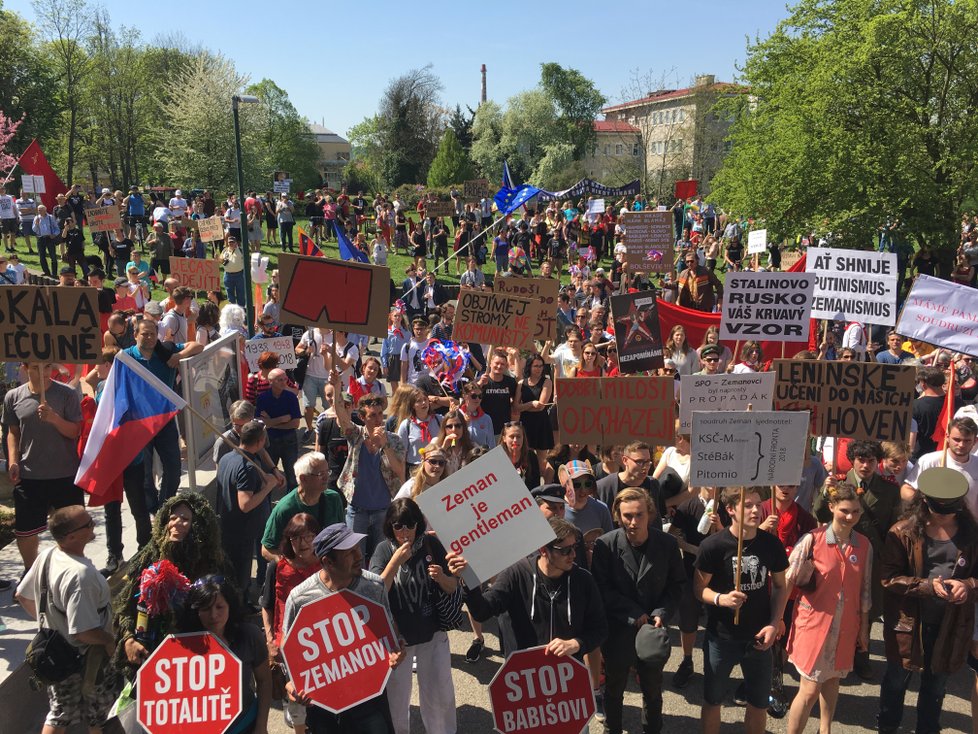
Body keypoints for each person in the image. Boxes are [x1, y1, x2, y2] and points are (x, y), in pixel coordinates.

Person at [877, 472, 978, 734]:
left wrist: (967, 585)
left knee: (935, 686)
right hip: (908, 623)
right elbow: (887, 578)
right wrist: (925, 586)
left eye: (951, 512)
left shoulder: (972, 534)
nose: (945, 517)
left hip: (949, 624)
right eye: (939, 511)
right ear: (924, 503)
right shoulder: (901, 532)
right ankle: (887, 727)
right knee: (897, 680)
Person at [282, 524, 405, 734]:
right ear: (327, 562)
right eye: (350, 553)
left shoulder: (374, 587)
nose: (359, 555)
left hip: (369, 699)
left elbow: (391, 634)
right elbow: (290, 653)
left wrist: (397, 652)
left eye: (358, 548)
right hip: (322, 706)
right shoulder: (300, 598)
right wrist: (291, 684)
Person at [15, 506, 121, 734]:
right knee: (100, 715)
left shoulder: (48, 555)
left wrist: (53, 626)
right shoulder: (80, 575)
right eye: (88, 524)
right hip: (85, 659)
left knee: (59, 714)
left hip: (54, 652)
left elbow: (22, 596)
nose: (94, 524)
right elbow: (82, 632)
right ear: (71, 536)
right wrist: (109, 640)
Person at [694, 486, 790, 734]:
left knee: (758, 704)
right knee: (713, 700)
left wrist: (774, 621)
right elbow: (698, 589)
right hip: (721, 637)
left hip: (759, 637)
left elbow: (781, 586)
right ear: (730, 510)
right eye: (748, 505)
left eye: (758, 504)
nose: (756, 510)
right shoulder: (712, 546)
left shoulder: (771, 544)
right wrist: (720, 599)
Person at [448, 516, 608, 660]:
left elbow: (599, 628)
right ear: (544, 550)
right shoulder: (516, 575)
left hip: (567, 673)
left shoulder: (583, 579)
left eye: (575, 547)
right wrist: (467, 579)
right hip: (524, 674)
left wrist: (576, 644)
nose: (573, 554)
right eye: (566, 550)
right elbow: (482, 612)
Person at [592, 488, 685, 734]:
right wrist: (633, 612)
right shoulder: (606, 545)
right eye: (627, 516)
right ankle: (612, 729)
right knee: (614, 688)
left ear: (651, 514)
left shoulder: (667, 544)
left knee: (653, 689)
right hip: (619, 630)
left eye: (639, 515)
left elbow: (677, 585)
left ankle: (652, 728)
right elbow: (602, 589)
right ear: (617, 515)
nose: (633, 522)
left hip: (653, 630)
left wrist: (661, 613)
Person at [784, 483, 871, 734]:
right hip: (813, 623)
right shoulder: (813, 539)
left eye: (856, 511)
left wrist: (863, 630)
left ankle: (825, 729)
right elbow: (788, 581)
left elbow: (865, 592)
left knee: (833, 679)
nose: (850, 516)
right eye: (845, 510)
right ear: (831, 507)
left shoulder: (864, 545)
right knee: (810, 688)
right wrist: (777, 618)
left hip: (845, 625)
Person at [114, 493, 233, 672]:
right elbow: (126, 608)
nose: (176, 523)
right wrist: (129, 639)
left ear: (199, 527)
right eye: (172, 518)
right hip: (156, 656)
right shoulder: (149, 558)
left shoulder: (214, 563)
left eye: (185, 518)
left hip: (202, 657)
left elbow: (230, 609)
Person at [814, 439, 901, 680]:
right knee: (839, 603)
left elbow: (895, 526)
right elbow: (819, 513)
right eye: (861, 460)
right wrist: (824, 491)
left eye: (871, 460)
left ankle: (862, 656)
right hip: (841, 553)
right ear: (852, 460)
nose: (866, 465)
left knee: (867, 606)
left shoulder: (890, 490)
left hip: (873, 556)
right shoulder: (839, 484)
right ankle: (837, 652)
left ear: (878, 462)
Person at [370, 499, 458, 734]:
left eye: (410, 524)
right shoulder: (383, 550)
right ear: (390, 526)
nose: (405, 531)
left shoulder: (431, 544)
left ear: (419, 524)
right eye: (398, 526)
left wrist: (442, 578)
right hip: (399, 639)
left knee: (440, 693)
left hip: (433, 633)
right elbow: (377, 591)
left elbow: (453, 587)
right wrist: (396, 561)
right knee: (396, 700)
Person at [3, 362, 83, 572]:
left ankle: (72, 572)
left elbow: (75, 431)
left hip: (64, 474)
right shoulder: (13, 396)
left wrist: (54, 419)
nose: (44, 373)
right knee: (26, 532)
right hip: (30, 475)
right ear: (25, 368)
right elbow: (13, 432)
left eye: (48, 367)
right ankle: (31, 575)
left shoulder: (67, 394)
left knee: (73, 530)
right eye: (37, 367)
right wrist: (13, 460)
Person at [178, 575, 272, 734]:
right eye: (206, 609)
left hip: (245, 724)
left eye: (219, 607)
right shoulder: (182, 645)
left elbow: (264, 681)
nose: (213, 615)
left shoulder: (249, 635)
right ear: (196, 611)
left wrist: (261, 726)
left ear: (230, 605)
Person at [126, 318, 202, 508]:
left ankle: (164, 506)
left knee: (174, 468)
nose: (150, 337)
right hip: (140, 423)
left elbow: (197, 346)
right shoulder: (126, 357)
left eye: (153, 333)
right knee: (145, 473)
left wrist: (179, 355)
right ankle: (153, 509)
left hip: (165, 421)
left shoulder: (166, 352)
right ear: (135, 335)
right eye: (145, 333)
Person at [331, 372, 406, 563]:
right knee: (355, 557)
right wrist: (337, 386)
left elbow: (400, 471)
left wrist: (385, 446)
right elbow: (341, 415)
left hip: (383, 510)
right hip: (357, 510)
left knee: (379, 559)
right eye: (373, 415)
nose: (378, 419)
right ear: (363, 418)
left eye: (381, 414)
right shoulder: (356, 435)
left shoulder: (394, 440)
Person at [261, 514, 322, 734]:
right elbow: (267, 605)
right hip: (287, 645)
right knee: (297, 698)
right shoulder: (277, 568)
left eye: (308, 536)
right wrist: (270, 641)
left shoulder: (329, 563)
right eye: (296, 538)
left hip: (322, 643)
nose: (303, 543)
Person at [217, 420, 283, 598]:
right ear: (260, 441)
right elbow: (245, 505)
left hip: (227, 525)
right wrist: (268, 487)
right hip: (241, 530)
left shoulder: (226, 458)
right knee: (240, 576)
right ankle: (240, 607)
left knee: (232, 572)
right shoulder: (247, 468)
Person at [261, 452, 344, 563]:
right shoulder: (285, 509)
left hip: (327, 571)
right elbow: (266, 549)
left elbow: (343, 537)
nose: (326, 477)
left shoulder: (334, 499)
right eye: (320, 474)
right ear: (303, 478)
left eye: (327, 472)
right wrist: (292, 564)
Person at [257, 368, 302, 491]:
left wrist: (271, 422)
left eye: (285, 379)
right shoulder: (262, 398)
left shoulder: (291, 398)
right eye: (280, 380)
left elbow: (295, 424)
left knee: (292, 476)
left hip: (289, 441)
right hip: (270, 441)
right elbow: (260, 421)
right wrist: (282, 419)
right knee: (268, 475)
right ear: (271, 382)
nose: (284, 383)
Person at [596, 441, 661, 519]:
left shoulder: (653, 484)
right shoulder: (604, 487)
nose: (645, 467)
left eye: (647, 462)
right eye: (639, 462)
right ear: (625, 460)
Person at [478, 349, 518, 439]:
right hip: (483, 428)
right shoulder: (481, 380)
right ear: (490, 363)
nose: (499, 366)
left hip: (503, 430)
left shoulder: (510, 382)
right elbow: (469, 398)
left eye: (502, 364)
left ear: (506, 366)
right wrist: (479, 384)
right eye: (496, 363)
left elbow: (517, 401)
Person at [499, 421, 541, 490]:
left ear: (523, 438)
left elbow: (536, 486)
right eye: (512, 437)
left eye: (518, 436)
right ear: (504, 438)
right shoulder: (497, 458)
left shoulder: (531, 456)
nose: (515, 440)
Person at [221, 236, 246, 306]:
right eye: (229, 242)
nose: (231, 243)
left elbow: (247, 261)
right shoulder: (225, 251)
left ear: (236, 243)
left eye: (232, 242)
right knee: (230, 295)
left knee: (241, 294)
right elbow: (221, 261)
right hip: (228, 276)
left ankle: (242, 311)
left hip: (239, 275)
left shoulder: (241, 250)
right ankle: (232, 312)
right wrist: (217, 258)